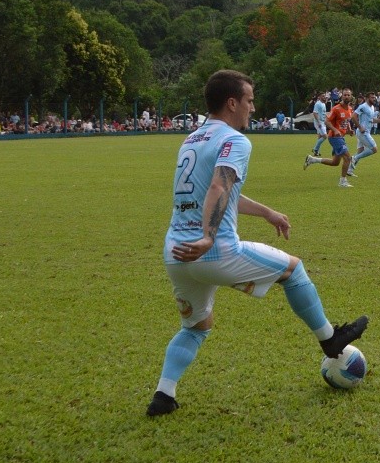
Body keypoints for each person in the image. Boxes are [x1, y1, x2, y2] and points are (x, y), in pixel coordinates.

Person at [150, 70, 368, 416]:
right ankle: (331, 339)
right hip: (215, 251)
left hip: (177, 254)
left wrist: (268, 213)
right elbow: (219, 187)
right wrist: (208, 237)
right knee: (293, 270)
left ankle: (163, 395)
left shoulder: (192, 138)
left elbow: (220, 191)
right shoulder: (235, 141)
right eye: (249, 101)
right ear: (232, 103)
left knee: (196, 327)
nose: (252, 108)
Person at [304, 90, 354, 186]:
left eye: (348, 95)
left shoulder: (350, 109)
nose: (346, 96)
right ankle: (342, 181)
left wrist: (350, 130)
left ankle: (312, 159)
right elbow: (327, 121)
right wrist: (335, 130)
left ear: (351, 96)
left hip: (340, 137)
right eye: (345, 95)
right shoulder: (336, 109)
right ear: (342, 96)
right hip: (335, 137)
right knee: (347, 158)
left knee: (335, 162)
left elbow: (346, 121)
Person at [348, 92, 379, 176]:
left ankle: (349, 171)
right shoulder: (363, 106)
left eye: (374, 97)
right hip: (363, 132)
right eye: (372, 97)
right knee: (374, 149)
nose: (374, 99)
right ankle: (354, 158)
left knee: (360, 150)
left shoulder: (372, 107)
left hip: (365, 132)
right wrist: (360, 127)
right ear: (367, 98)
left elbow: (371, 120)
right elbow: (353, 116)